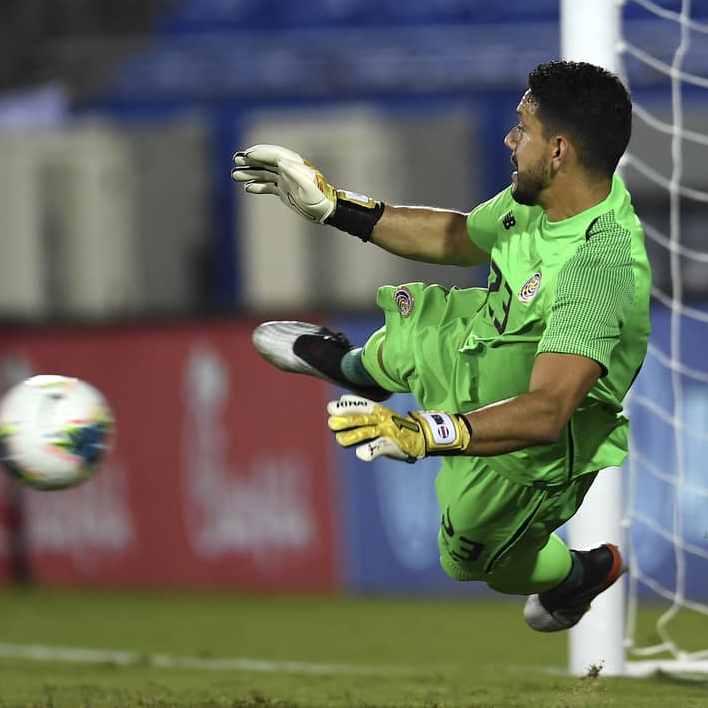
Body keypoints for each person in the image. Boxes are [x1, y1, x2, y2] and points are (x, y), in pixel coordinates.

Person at [232, 60, 651, 632]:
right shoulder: (546, 200)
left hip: (531, 439)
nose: (509, 139)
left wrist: (425, 432)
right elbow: (458, 237)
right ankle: (357, 368)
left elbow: (550, 410)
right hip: (484, 340)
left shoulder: (597, 266)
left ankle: (578, 576)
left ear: (558, 151)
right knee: (409, 340)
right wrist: (336, 207)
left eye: (521, 128)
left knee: (475, 560)